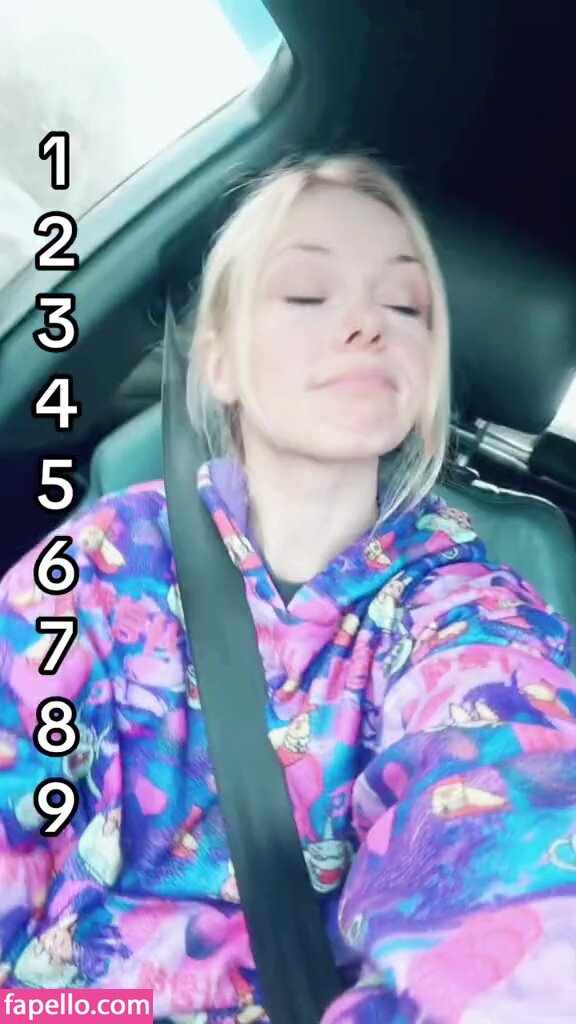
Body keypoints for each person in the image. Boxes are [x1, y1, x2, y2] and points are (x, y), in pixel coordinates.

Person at [0, 153, 575, 1024]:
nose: (368, 324)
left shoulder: (469, 615)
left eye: (406, 306)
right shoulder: (102, 564)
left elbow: (519, 846)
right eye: (308, 294)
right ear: (220, 363)